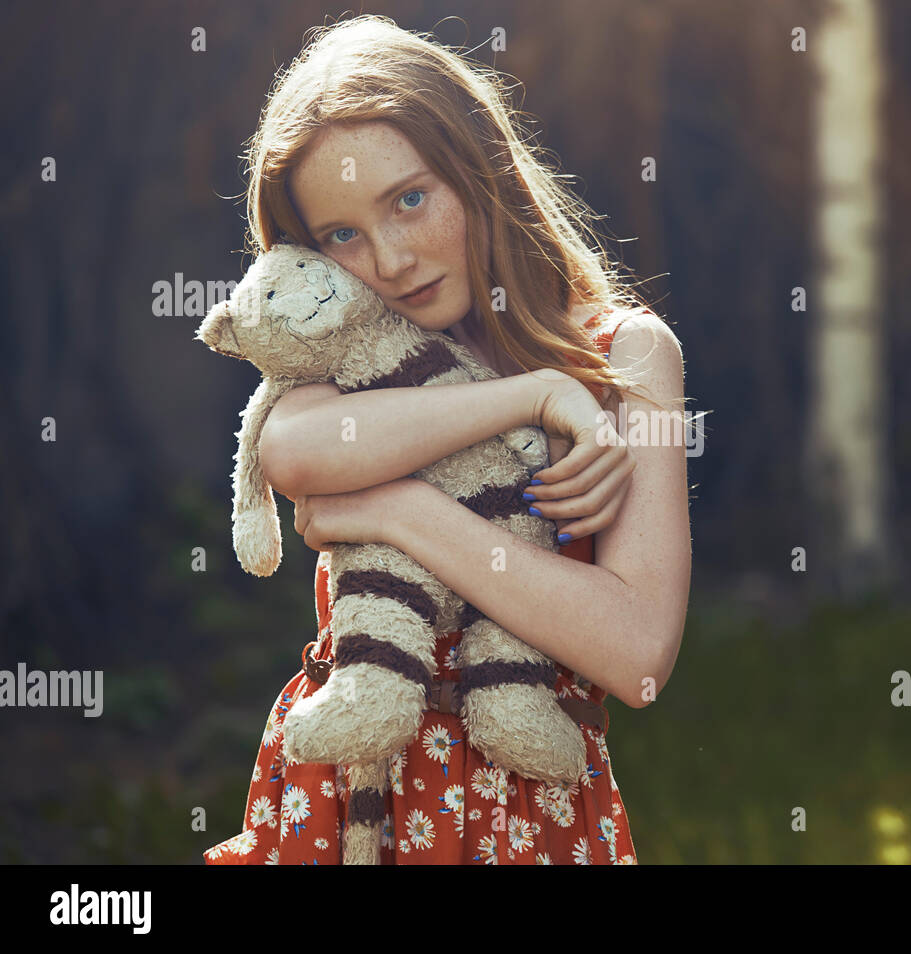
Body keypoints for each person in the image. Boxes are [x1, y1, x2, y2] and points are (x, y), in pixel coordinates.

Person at [203, 15, 691, 865]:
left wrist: (398, 509)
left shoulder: (624, 356)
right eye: (340, 236)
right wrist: (531, 396)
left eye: (410, 199)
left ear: (481, 171)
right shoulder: (350, 350)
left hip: (526, 809)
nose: (390, 260)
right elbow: (292, 455)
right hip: (345, 797)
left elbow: (638, 651)